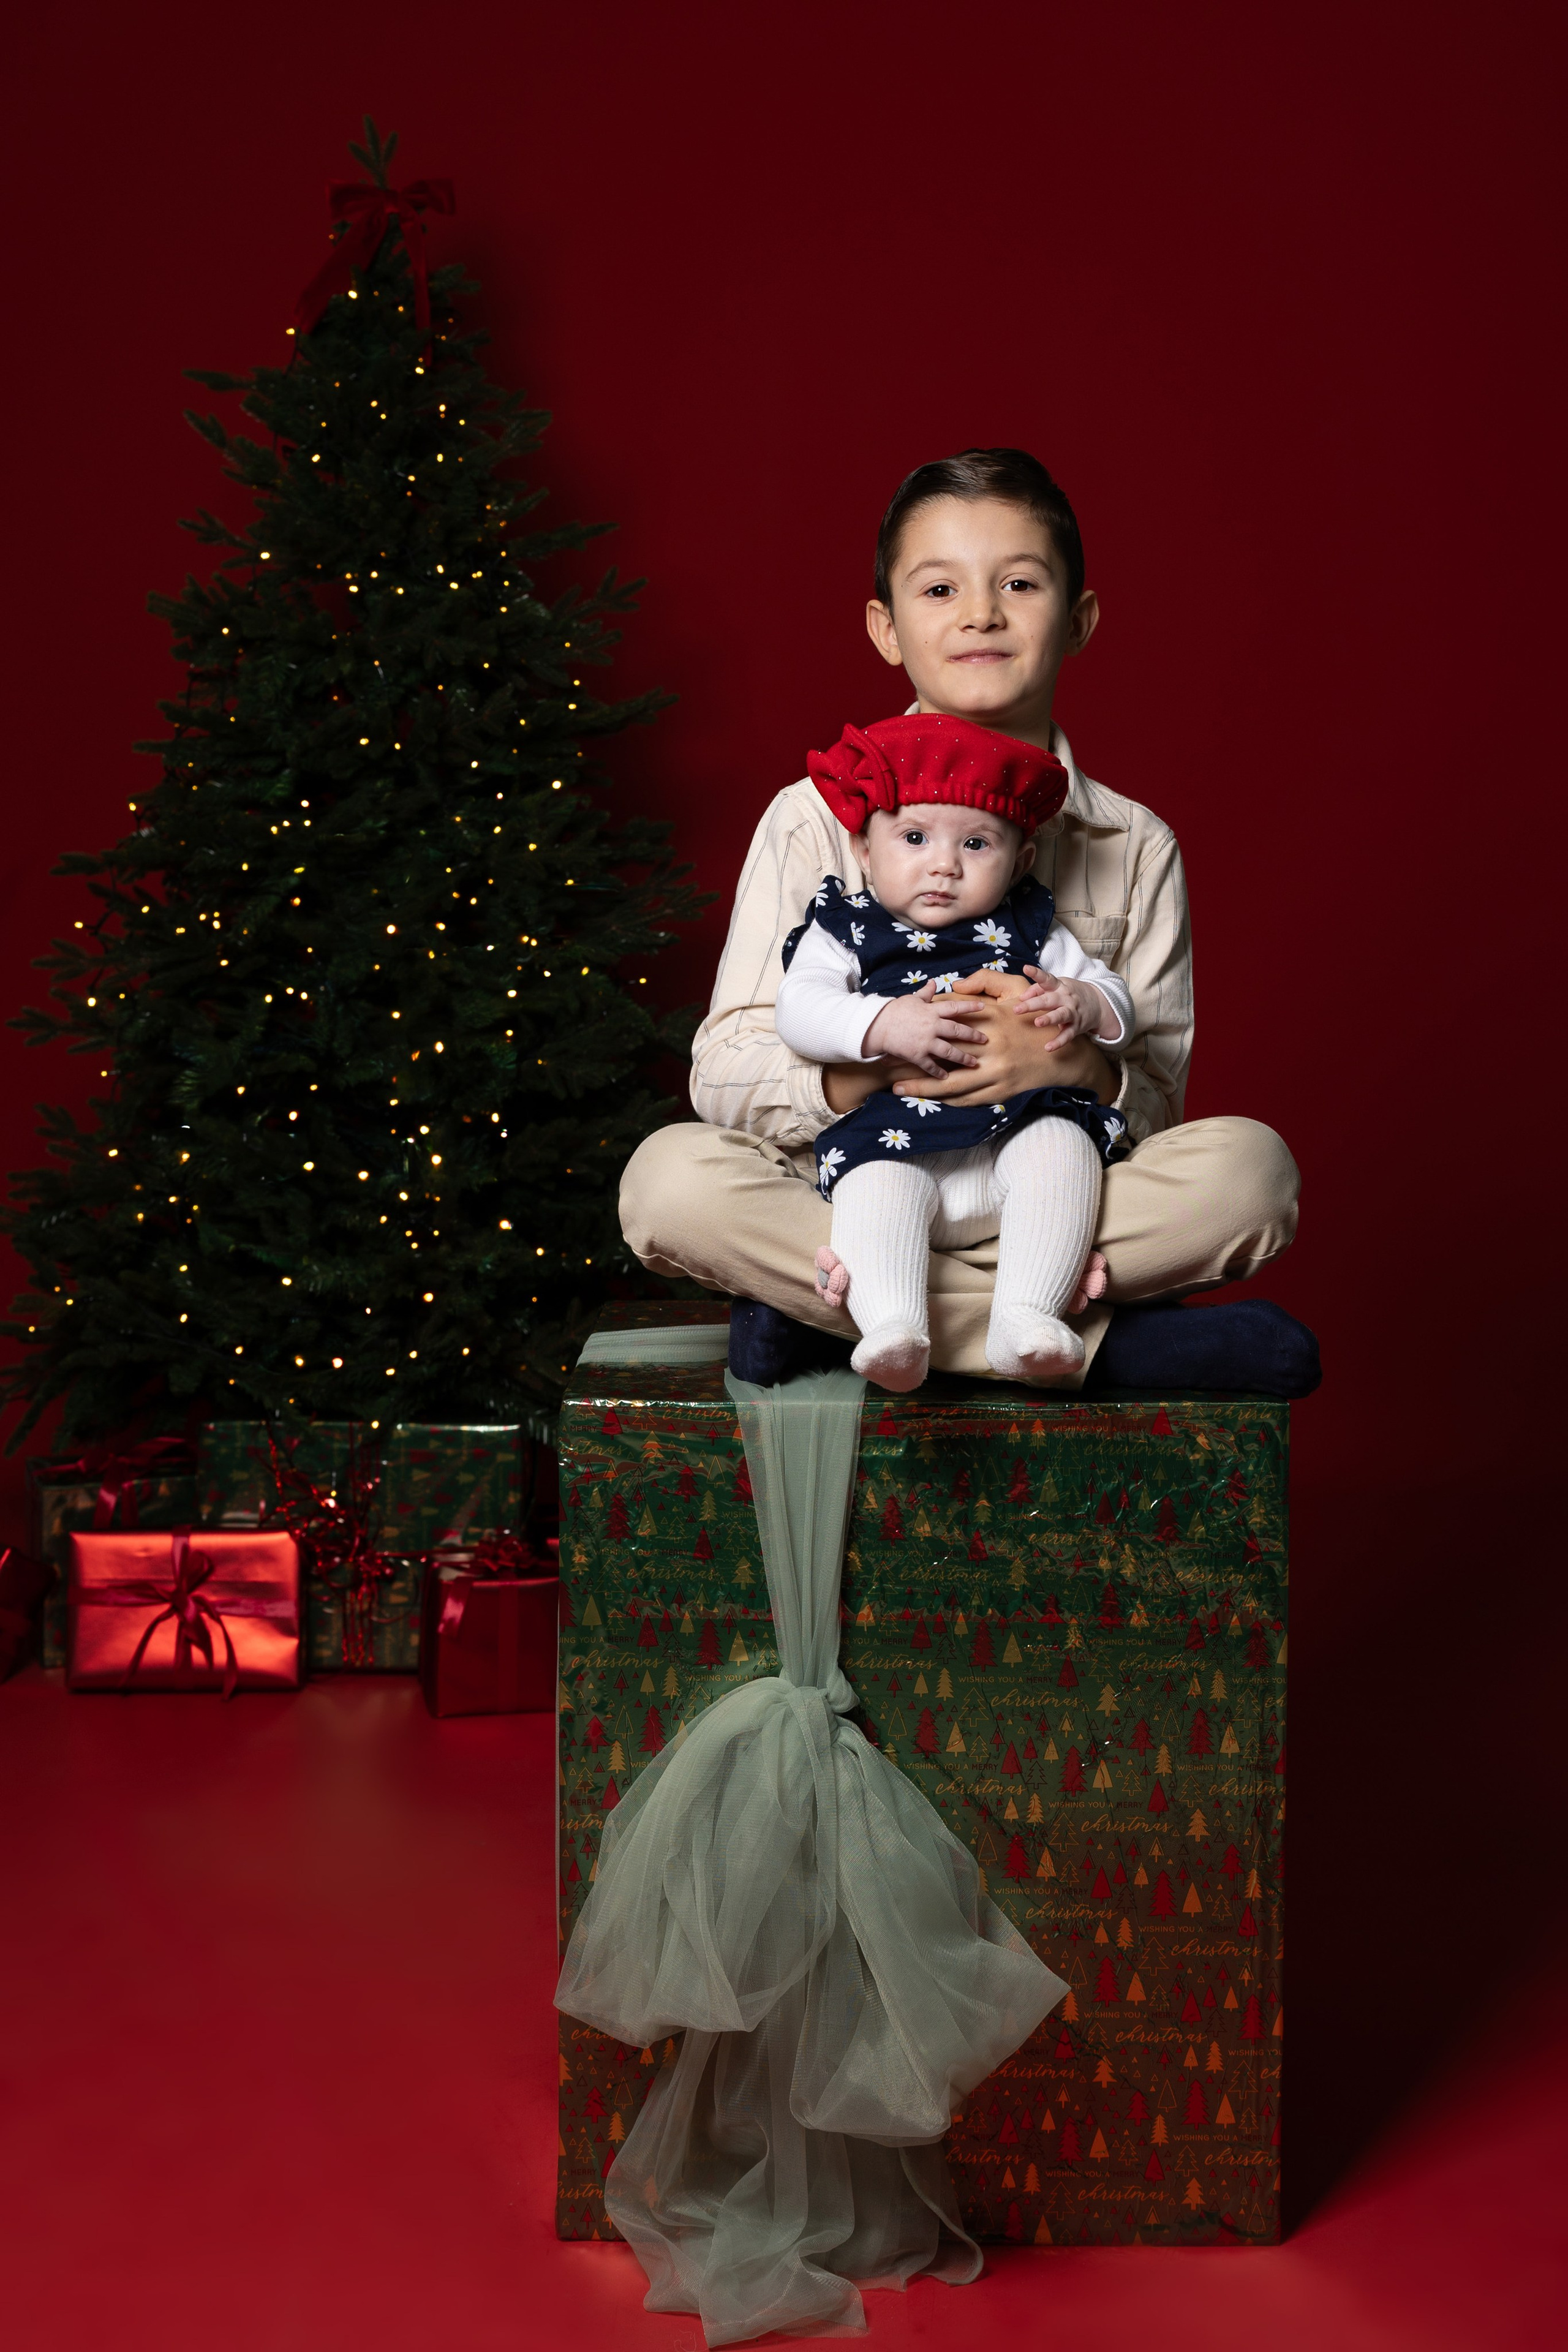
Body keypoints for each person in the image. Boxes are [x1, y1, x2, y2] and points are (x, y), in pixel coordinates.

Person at [619, 447, 1317, 1396]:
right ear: (886, 629)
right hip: (857, 1185)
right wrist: (876, 1056)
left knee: (1251, 1174)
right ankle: (1091, 1342)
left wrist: (1070, 1062)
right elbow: (727, 1071)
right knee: (667, 1184)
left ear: (1078, 620)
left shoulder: (1133, 842)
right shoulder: (812, 819)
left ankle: (848, 1317)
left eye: (1019, 583)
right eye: (940, 587)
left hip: (1049, 1182)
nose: (981, 613)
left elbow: (1156, 1101)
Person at [775, 712, 1133, 1390]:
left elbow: (1113, 992)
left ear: (1020, 861)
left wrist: (1083, 1003)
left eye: (976, 844)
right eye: (913, 838)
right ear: (861, 847)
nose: (942, 864)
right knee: (870, 1185)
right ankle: (894, 1326)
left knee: (1066, 1145)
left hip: (1014, 1137)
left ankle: (1025, 1319)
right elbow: (800, 1009)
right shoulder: (846, 926)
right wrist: (881, 1025)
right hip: (896, 1138)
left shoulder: (1027, 926)